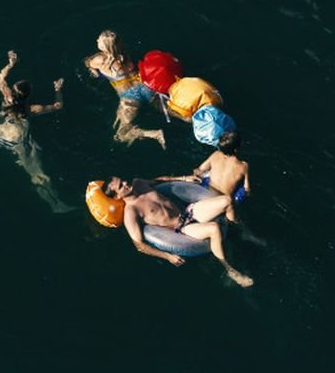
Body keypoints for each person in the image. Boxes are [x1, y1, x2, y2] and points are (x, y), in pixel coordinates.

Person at [0, 51, 72, 212]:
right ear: (28, 95)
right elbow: (58, 106)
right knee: (37, 174)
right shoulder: (32, 109)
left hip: (0, 133)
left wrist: (11, 64)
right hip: (17, 141)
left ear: (13, 90)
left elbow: (1, 78)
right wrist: (58, 89)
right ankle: (56, 206)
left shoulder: (7, 96)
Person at [103, 176, 253, 287]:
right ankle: (229, 269)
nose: (125, 183)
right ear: (117, 196)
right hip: (182, 228)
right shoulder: (131, 213)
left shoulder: (139, 183)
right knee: (214, 229)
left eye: (123, 180)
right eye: (121, 186)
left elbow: (159, 181)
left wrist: (184, 178)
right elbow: (139, 245)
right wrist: (167, 256)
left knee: (226, 200)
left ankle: (243, 231)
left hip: (189, 211)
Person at [84, 30, 166, 149]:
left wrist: (92, 70)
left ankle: (154, 134)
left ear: (106, 46)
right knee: (167, 110)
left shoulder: (100, 60)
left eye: (100, 40)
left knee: (120, 135)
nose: (97, 41)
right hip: (145, 87)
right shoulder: (123, 54)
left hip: (129, 96)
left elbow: (87, 62)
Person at [168, 131, 250, 223]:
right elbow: (247, 189)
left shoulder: (216, 155)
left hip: (206, 194)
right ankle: (236, 224)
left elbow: (198, 171)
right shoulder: (243, 166)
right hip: (223, 201)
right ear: (236, 149)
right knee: (237, 221)